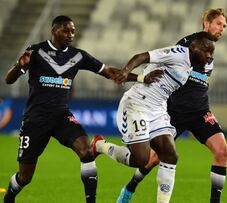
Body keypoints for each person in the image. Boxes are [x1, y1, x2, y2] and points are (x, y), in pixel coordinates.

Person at [3, 15, 162, 203]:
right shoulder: (36, 51)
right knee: (25, 176)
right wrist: (19, 66)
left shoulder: (78, 56)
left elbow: (109, 72)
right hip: (35, 119)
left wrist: (142, 78)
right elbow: (9, 80)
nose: (71, 34)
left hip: (61, 116)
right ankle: (10, 196)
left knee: (86, 151)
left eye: (73, 31)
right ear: (54, 30)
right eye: (66, 30)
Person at [112, 8, 227, 203]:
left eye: (224, 26)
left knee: (222, 151)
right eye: (218, 24)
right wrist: (141, 78)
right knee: (154, 158)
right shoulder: (187, 46)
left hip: (200, 111)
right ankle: (130, 188)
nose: (221, 29)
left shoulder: (208, 53)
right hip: (175, 111)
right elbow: (161, 68)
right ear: (206, 23)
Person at [91, 32, 216, 203]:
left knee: (170, 155)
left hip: (157, 110)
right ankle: (100, 146)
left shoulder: (192, 67)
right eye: (205, 51)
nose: (208, 56)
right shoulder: (178, 53)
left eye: (211, 53)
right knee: (141, 159)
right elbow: (142, 56)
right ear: (193, 48)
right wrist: (127, 71)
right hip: (137, 105)